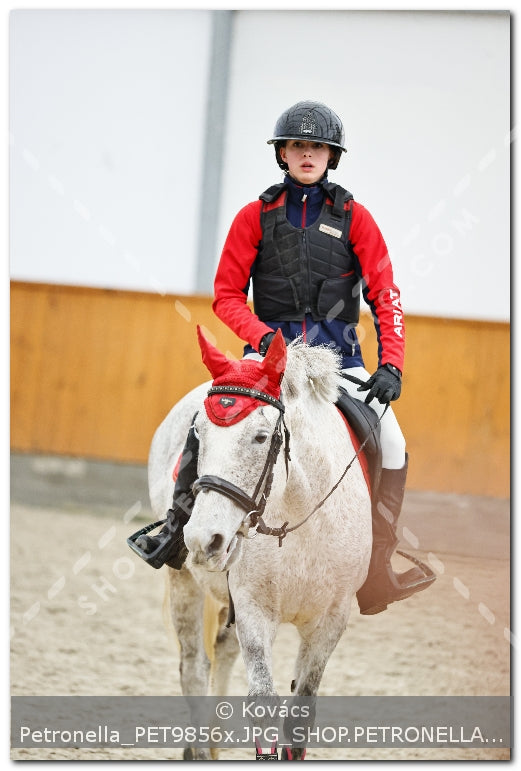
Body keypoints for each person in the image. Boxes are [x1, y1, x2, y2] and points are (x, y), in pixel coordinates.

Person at [130, 100, 435, 615]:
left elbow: (387, 294)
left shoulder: (356, 218)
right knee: (207, 420)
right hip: (266, 362)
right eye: (298, 145)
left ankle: (377, 562)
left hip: (337, 363)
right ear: (283, 155)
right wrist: (264, 338)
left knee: (394, 442)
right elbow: (226, 295)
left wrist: (392, 363)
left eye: (317, 146)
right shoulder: (254, 216)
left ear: (331, 155)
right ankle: (177, 531)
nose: (307, 154)